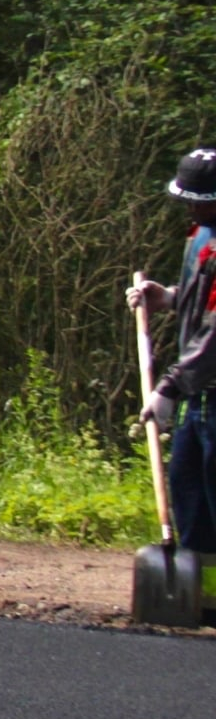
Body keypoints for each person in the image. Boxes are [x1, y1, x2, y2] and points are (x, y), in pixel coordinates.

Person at [127, 147, 216, 564]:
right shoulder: (200, 236)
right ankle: (199, 596)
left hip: (205, 386)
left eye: (196, 202)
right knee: (188, 490)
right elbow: (203, 303)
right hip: (198, 395)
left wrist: (169, 387)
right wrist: (166, 298)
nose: (188, 209)